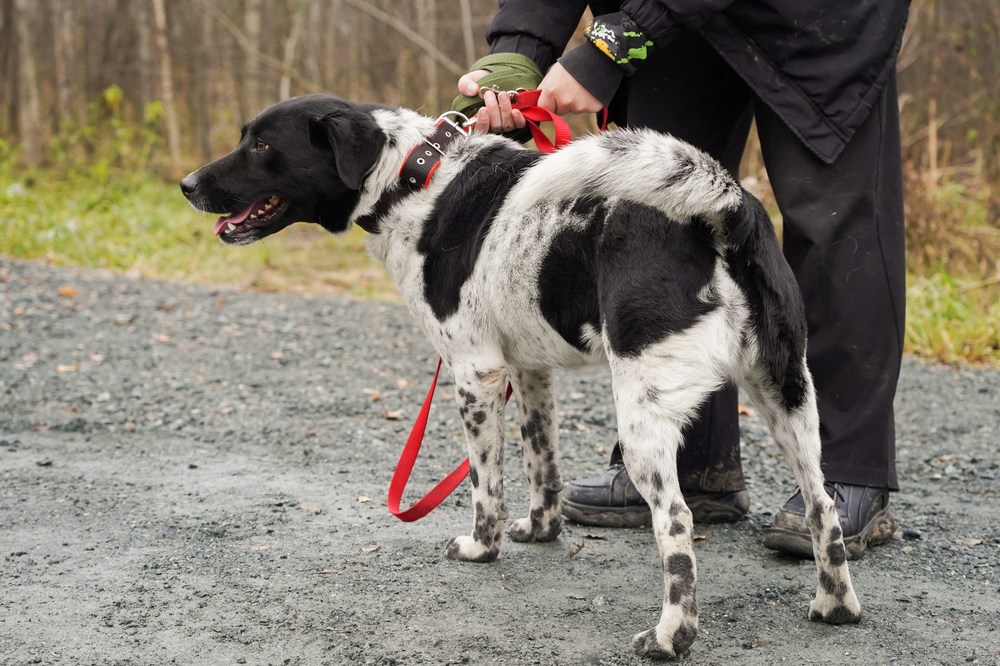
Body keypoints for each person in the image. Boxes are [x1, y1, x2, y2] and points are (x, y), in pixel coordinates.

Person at [455, 0, 908, 558]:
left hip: (816, 20)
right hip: (677, 25)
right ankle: (691, 463)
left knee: (833, 224)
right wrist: (515, 56)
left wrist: (612, 45)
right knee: (661, 209)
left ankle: (845, 472)